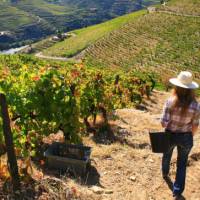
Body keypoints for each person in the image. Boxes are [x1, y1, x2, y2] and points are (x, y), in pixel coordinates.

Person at [160, 71, 200, 199]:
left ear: (176, 86)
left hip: (170, 135)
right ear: (191, 90)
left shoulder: (170, 101)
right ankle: (177, 191)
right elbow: (195, 125)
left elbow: (163, 124)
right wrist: (189, 135)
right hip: (186, 137)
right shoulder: (196, 105)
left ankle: (165, 173)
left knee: (166, 155)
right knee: (182, 164)